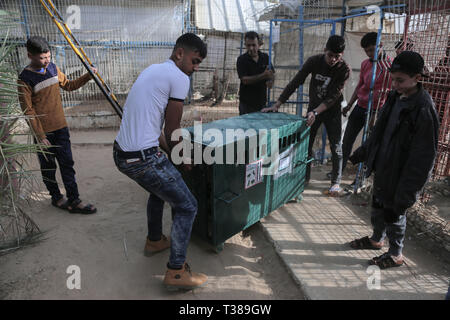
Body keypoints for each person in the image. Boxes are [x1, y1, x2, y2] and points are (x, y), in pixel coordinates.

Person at [113, 33, 208, 291]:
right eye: (194, 61)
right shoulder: (179, 77)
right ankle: (176, 271)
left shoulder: (153, 70)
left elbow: (155, 130)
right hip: (142, 158)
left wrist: (172, 156)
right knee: (187, 205)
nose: (195, 68)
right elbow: (172, 130)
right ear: (180, 53)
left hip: (122, 154)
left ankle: (155, 240)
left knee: (161, 189)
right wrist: (182, 157)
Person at [348, 51, 439, 269]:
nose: (395, 84)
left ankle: (396, 253)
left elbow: (423, 159)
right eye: (393, 79)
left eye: (400, 80)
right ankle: (376, 240)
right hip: (384, 166)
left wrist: (405, 197)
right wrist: (365, 150)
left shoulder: (424, 109)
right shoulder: (395, 96)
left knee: (394, 213)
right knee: (378, 206)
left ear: (417, 78)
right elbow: (380, 129)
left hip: (401, 175)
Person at [262, 35, 350, 195]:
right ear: (325, 51)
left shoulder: (344, 69)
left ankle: (336, 182)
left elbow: (333, 97)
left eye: (337, 57)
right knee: (306, 144)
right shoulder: (314, 61)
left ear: (342, 55)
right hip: (313, 109)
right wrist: (277, 104)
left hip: (332, 112)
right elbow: (296, 81)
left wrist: (316, 112)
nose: (333, 60)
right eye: (330, 55)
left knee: (336, 146)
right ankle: (304, 178)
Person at [18, 36, 97, 214]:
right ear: (30, 55)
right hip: (44, 134)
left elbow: (69, 85)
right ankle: (56, 197)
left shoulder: (53, 68)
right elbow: (28, 111)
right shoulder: (24, 79)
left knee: (67, 164)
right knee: (48, 168)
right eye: (42, 58)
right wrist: (41, 136)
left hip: (61, 128)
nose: (46, 61)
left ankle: (74, 200)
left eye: (48, 56)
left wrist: (88, 76)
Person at [341, 32, 392, 185]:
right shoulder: (366, 64)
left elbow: (390, 92)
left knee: (369, 144)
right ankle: (339, 170)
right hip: (360, 107)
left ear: (380, 45)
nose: (370, 53)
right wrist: (349, 105)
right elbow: (360, 86)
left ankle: (363, 176)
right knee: (347, 140)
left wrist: (378, 114)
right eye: (367, 51)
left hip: (376, 111)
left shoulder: (389, 67)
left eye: (372, 49)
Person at [236, 31, 274, 115]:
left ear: (259, 44)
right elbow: (244, 80)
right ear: (245, 45)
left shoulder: (265, 57)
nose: (251, 48)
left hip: (262, 102)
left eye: (254, 45)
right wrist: (263, 75)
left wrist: (271, 80)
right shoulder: (242, 60)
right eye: (248, 45)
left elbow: (271, 74)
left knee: (261, 127)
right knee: (245, 127)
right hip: (246, 104)